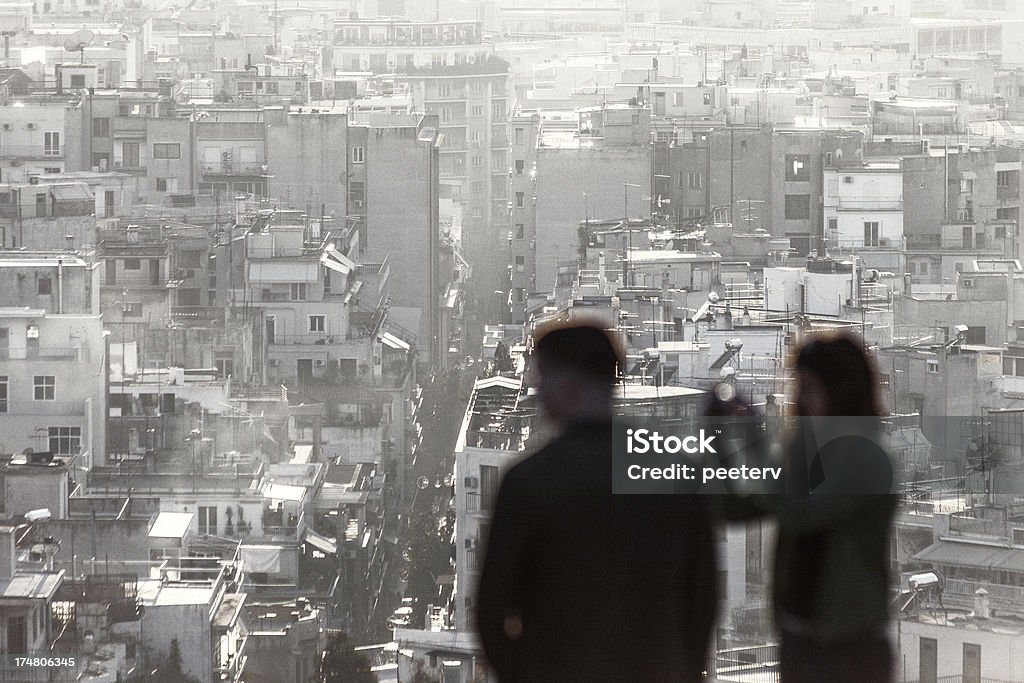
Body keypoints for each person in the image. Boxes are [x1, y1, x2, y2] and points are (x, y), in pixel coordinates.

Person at [476, 322, 717, 681]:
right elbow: (703, 597)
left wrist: (525, 671)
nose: (537, 391)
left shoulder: (529, 481)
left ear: (570, 385)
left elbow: (492, 609)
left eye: (543, 378)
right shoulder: (676, 474)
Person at [719, 333, 897, 683]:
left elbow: (802, 514)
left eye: (810, 389)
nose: (800, 400)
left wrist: (753, 441)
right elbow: (736, 510)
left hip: (849, 647)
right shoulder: (806, 453)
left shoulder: (869, 457)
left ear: (840, 392)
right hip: (801, 639)